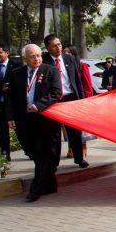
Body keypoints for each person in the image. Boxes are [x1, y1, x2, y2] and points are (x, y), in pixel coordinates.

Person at [5, 44, 63, 202]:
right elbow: (9, 97)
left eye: (38, 55)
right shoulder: (17, 74)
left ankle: (35, 191)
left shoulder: (50, 71)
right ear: (25, 59)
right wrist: (10, 117)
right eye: (32, 56)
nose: (37, 59)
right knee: (35, 155)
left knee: (42, 155)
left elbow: (56, 92)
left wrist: (39, 104)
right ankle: (51, 185)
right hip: (24, 121)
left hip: (44, 120)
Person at [42, 34, 89, 169]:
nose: (58, 48)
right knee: (54, 133)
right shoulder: (44, 61)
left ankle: (79, 158)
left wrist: (81, 101)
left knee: (74, 131)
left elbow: (77, 81)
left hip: (70, 98)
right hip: (53, 100)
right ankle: (54, 162)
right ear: (47, 48)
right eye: (54, 46)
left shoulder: (70, 58)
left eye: (59, 44)